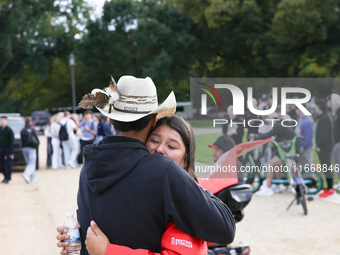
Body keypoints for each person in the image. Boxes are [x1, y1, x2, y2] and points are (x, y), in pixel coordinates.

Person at [56, 75, 235, 255]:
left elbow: (95, 232)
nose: (160, 150)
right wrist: (188, 181)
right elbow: (225, 229)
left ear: (110, 120)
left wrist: (75, 235)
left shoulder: (89, 167)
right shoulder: (164, 171)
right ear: (153, 121)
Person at [82, 115, 207, 255]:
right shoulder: (143, 183)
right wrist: (77, 232)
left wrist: (108, 251)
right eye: (154, 140)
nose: (160, 149)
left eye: (171, 146)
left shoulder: (188, 198)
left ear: (186, 160)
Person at [252, 107, 296, 197]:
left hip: (286, 151)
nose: (268, 120)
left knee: (270, 164)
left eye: (269, 118)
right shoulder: (281, 124)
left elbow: (268, 135)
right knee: (277, 165)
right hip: (287, 149)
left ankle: (268, 188)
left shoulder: (278, 126)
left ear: (273, 118)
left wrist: (255, 137)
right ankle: (277, 185)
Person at [315, 99, 335, 197]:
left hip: (325, 147)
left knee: (327, 168)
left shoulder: (324, 118)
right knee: (326, 167)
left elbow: (323, 134)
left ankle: (330, 189)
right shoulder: (324, 117)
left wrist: (319, 146)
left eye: (316, 106)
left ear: (320, 107)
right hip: (326, 146)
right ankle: (330, 187)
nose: (315, 108)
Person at [327, 93, 340, 190]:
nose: (328, 103)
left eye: (329, 100)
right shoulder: (334, 114)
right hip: (334, 142)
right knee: (336, 163)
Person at [21, 117, 39, 183]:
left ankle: (32, 178)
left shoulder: (23, 130)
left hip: (24, 148)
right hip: (31, 148)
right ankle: (26, 174)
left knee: (29, 163)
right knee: (32, 163)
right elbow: (36, 139)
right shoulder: (32, 129)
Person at [0, 116, 14, 184]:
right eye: (1, 120)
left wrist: (11, 152)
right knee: (1, 164)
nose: (2, 121)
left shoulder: (9, 130)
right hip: (1, 148)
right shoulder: (0, 129)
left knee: (8, 164)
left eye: (3, 120)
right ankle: (5, 177)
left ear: (6, 121)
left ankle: (9, 178)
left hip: (7, 148)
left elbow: (11, 141)